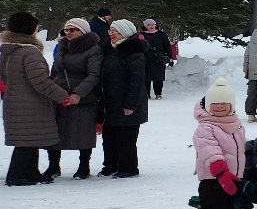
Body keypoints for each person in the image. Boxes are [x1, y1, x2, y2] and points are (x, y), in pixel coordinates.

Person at [3, 12, 70, 186]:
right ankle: (18, 176)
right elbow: (40, 81)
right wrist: (63, 97)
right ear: (31, 30)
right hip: (31, 104)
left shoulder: (7, 51)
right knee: (27, 141)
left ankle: (31, 172)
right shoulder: (29, 52)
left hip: (13, 102)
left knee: (28, 140)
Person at [192, 79, 247, 209]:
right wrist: (222, 173)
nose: (220, 107)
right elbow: (210, 151)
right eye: (215, 104)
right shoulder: (206, 127)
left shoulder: (236, 124)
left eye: (224, 103)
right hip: (213, 179)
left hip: (232, 179)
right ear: (208, 106)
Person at [45, 18, 102, 181]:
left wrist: (78, 93)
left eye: (72, 30)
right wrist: (50, 87)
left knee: (83, 131)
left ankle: (84, 165)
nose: (68, 33)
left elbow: (94, 74)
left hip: (83, 96)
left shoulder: (93, 49)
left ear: (83, 31)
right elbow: (55, 70)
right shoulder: (62, 47)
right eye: (66, 30)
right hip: (59, 95)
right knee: (55, 131)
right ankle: (53, 165)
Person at [98, 19, 149, 177]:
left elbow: (137, 81)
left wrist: (131, 105)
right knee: (109, 136)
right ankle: (110, 165)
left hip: (127, 102)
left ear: (125, 33)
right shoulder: (108, 49)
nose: (111, 34)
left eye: (116, 31)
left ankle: (128, 168)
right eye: (111, 30)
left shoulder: (133, 52)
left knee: (126, 138)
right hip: (110, 102)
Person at [141, 18, 175, 98]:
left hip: (159, 59)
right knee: (146, 78)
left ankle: (158, 93)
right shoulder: (141, 35)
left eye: (153, 24)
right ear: (145, 26)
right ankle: (146, 94)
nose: (151, 26)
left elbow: (167, 46)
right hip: (146, 59)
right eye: (149, 25)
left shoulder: (161, 34)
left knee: (159, 77)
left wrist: (170, 57)